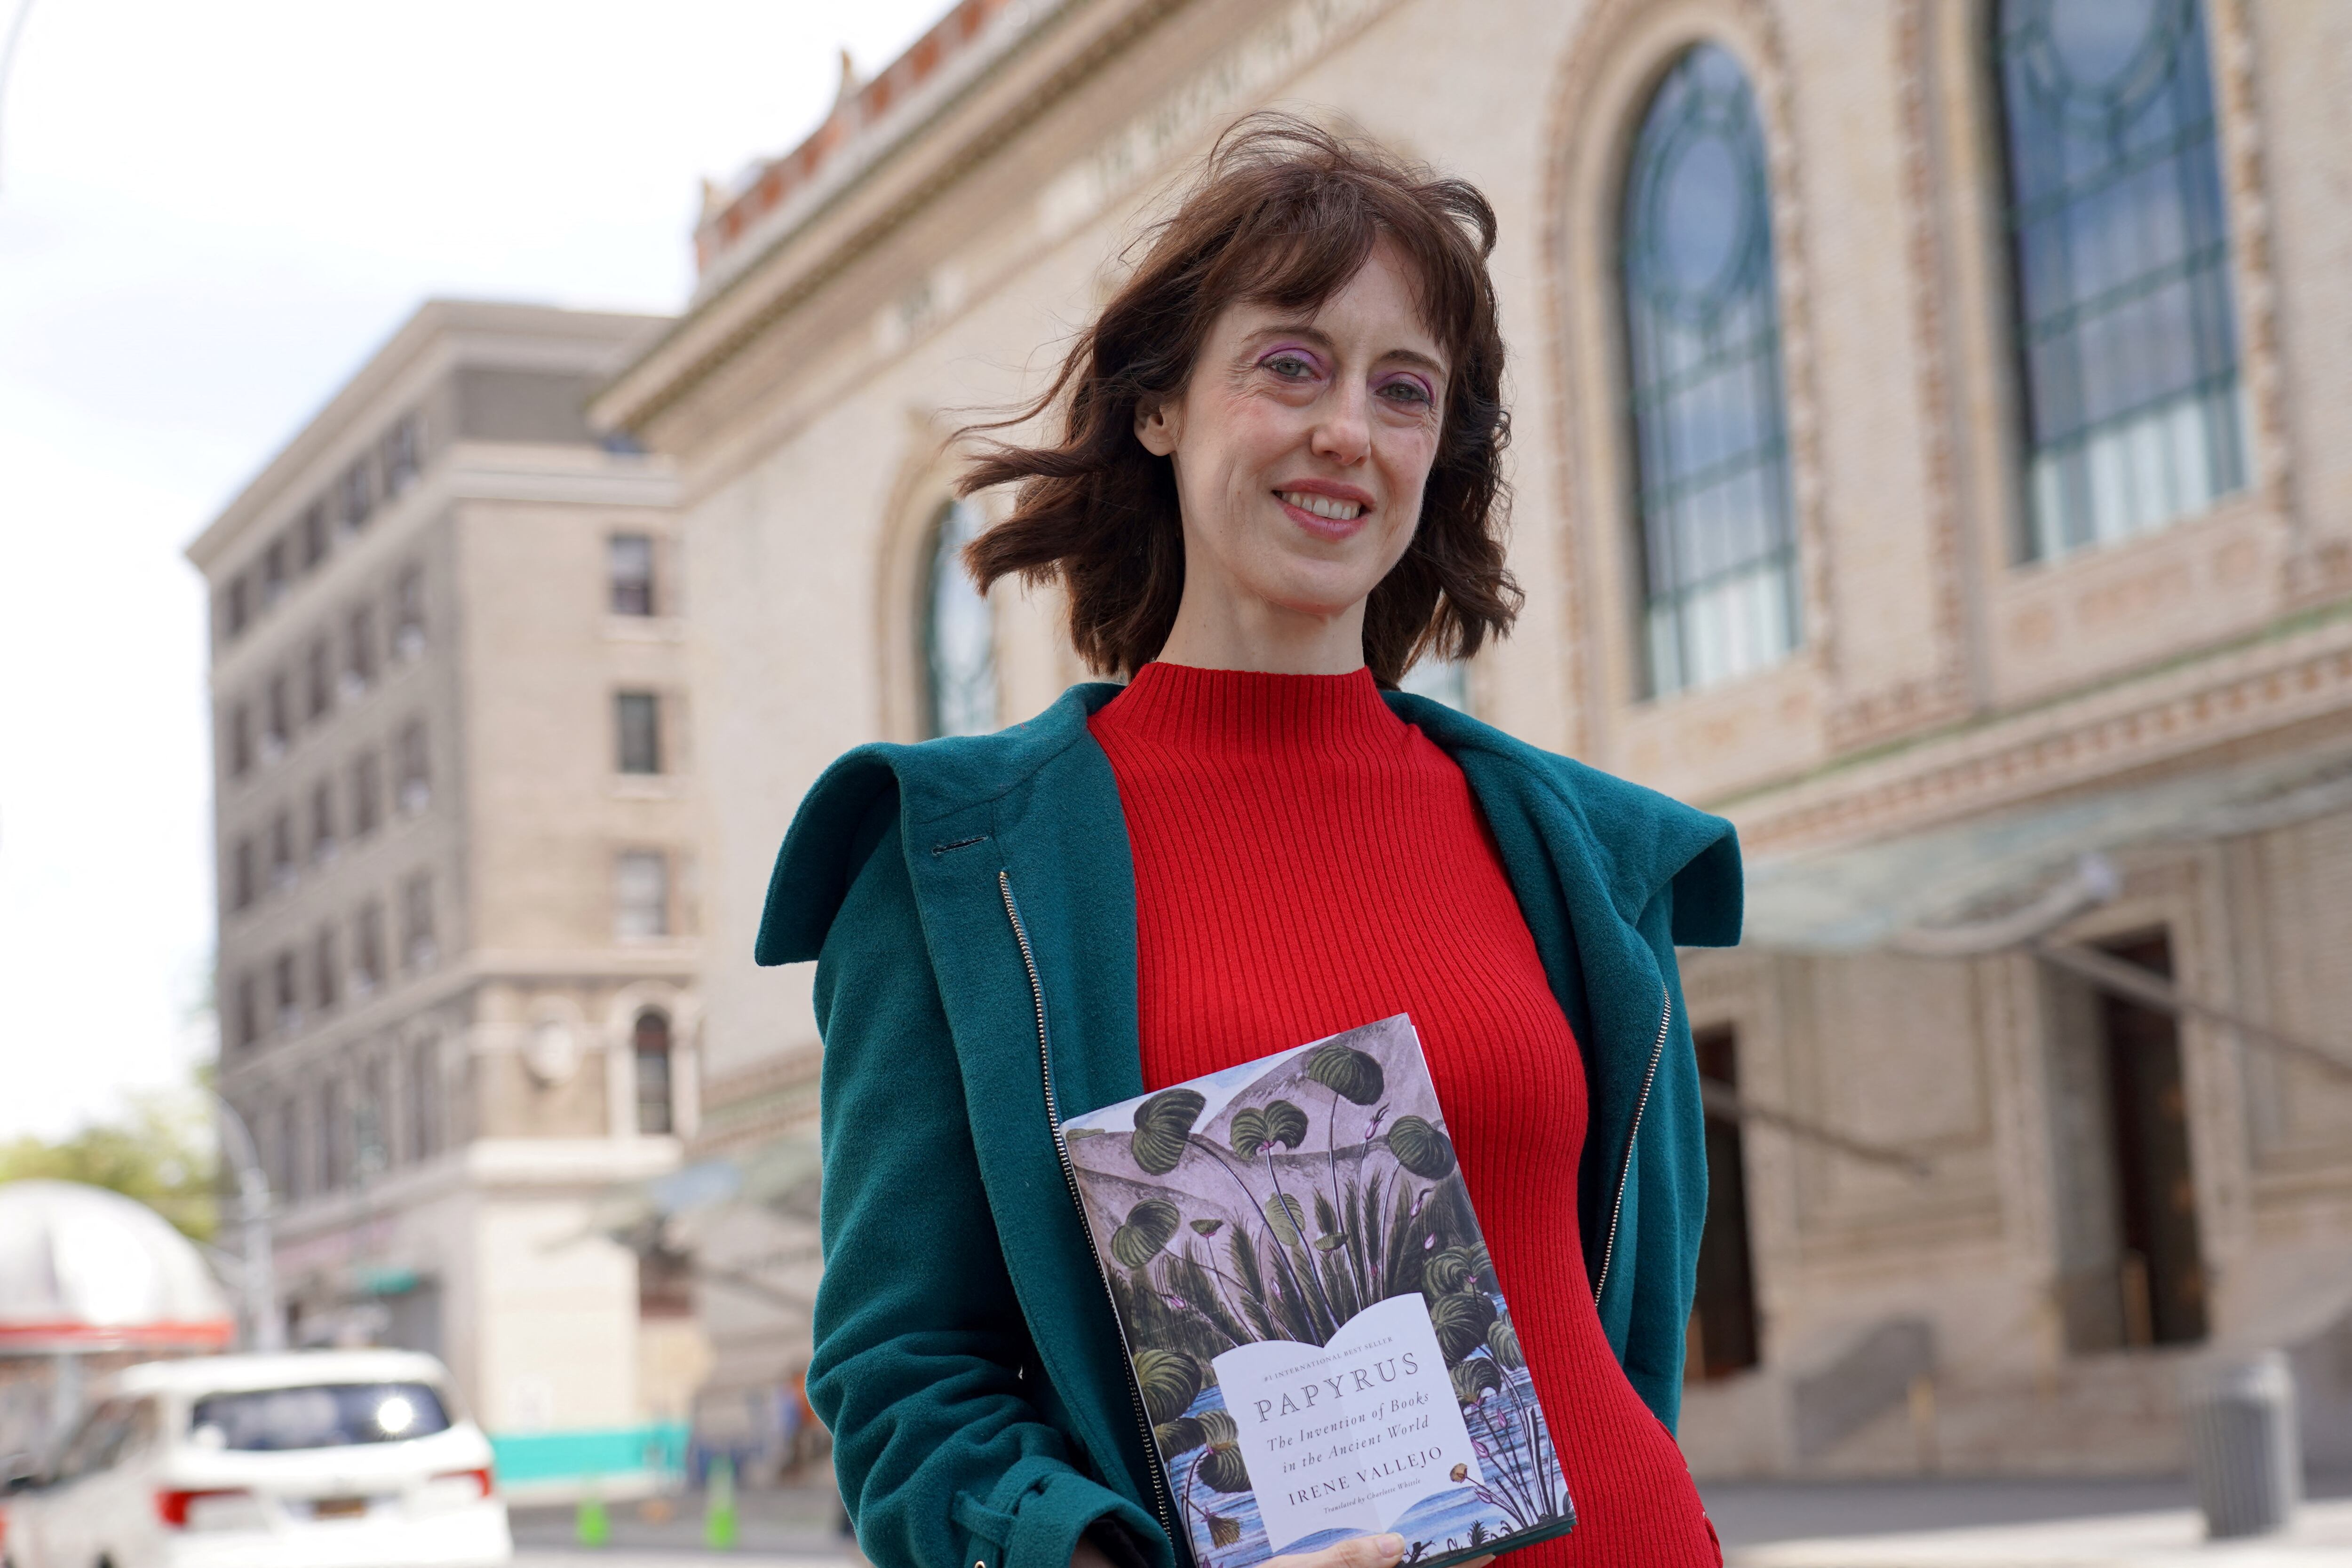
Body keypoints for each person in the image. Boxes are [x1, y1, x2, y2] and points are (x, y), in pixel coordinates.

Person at [757, 115, 1740, 1568]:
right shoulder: (968, 864)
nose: (1348, 428)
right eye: (1290, 363)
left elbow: (1616, 1317)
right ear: (1159, 405)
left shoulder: (1578, 853)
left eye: (1405, 392)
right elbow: (902, 1382)